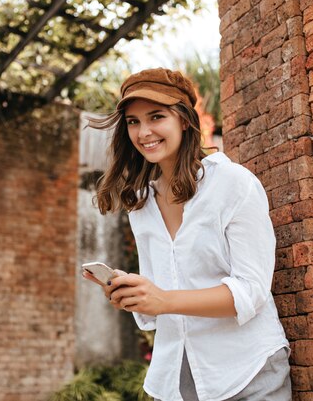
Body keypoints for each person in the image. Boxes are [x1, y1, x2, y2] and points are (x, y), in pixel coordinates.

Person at [83, 68, 291, 401]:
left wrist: (163, 300)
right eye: (133, 121)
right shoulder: (141, 204)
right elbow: (155, 307)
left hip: (247, 373)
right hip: (177, 381)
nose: (144, 132)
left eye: (156, 116)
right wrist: (134, 291)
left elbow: (252, 291)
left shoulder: (234, 184)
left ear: (183, 119)